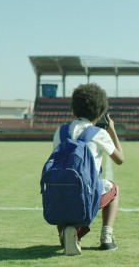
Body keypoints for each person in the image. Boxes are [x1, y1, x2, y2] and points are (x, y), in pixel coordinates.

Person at [51, 83, 124, 255]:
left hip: (58, 198)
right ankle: (106, 237)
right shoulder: (99, 134)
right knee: (113, 188)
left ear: (73, 111)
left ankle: (67, 231)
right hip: (86, 197)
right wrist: (112, 130)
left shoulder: (59, 132)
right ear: (100, 114)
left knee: (66, 194)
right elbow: (120, 159)